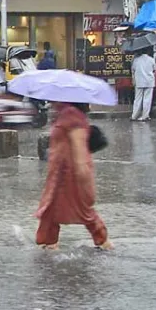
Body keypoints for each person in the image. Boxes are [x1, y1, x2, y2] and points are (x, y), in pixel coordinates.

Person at [35, 103, 112, 251]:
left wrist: (81, 168)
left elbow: (78, 141)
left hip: (70, 173)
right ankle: (49, 244)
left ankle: (103, 241)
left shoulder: (71, 114)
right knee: (51, 209)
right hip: (60, 172)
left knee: (82, 210)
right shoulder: (64, 113)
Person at [131, 48, 155, 121]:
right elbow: (154, 69)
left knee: (137, 99)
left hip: (139, 81)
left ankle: (134, 116)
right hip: (149, 81)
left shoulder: (136, 60)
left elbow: (133, 69)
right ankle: (145, 116)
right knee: (147, 99)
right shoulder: (151, 59)